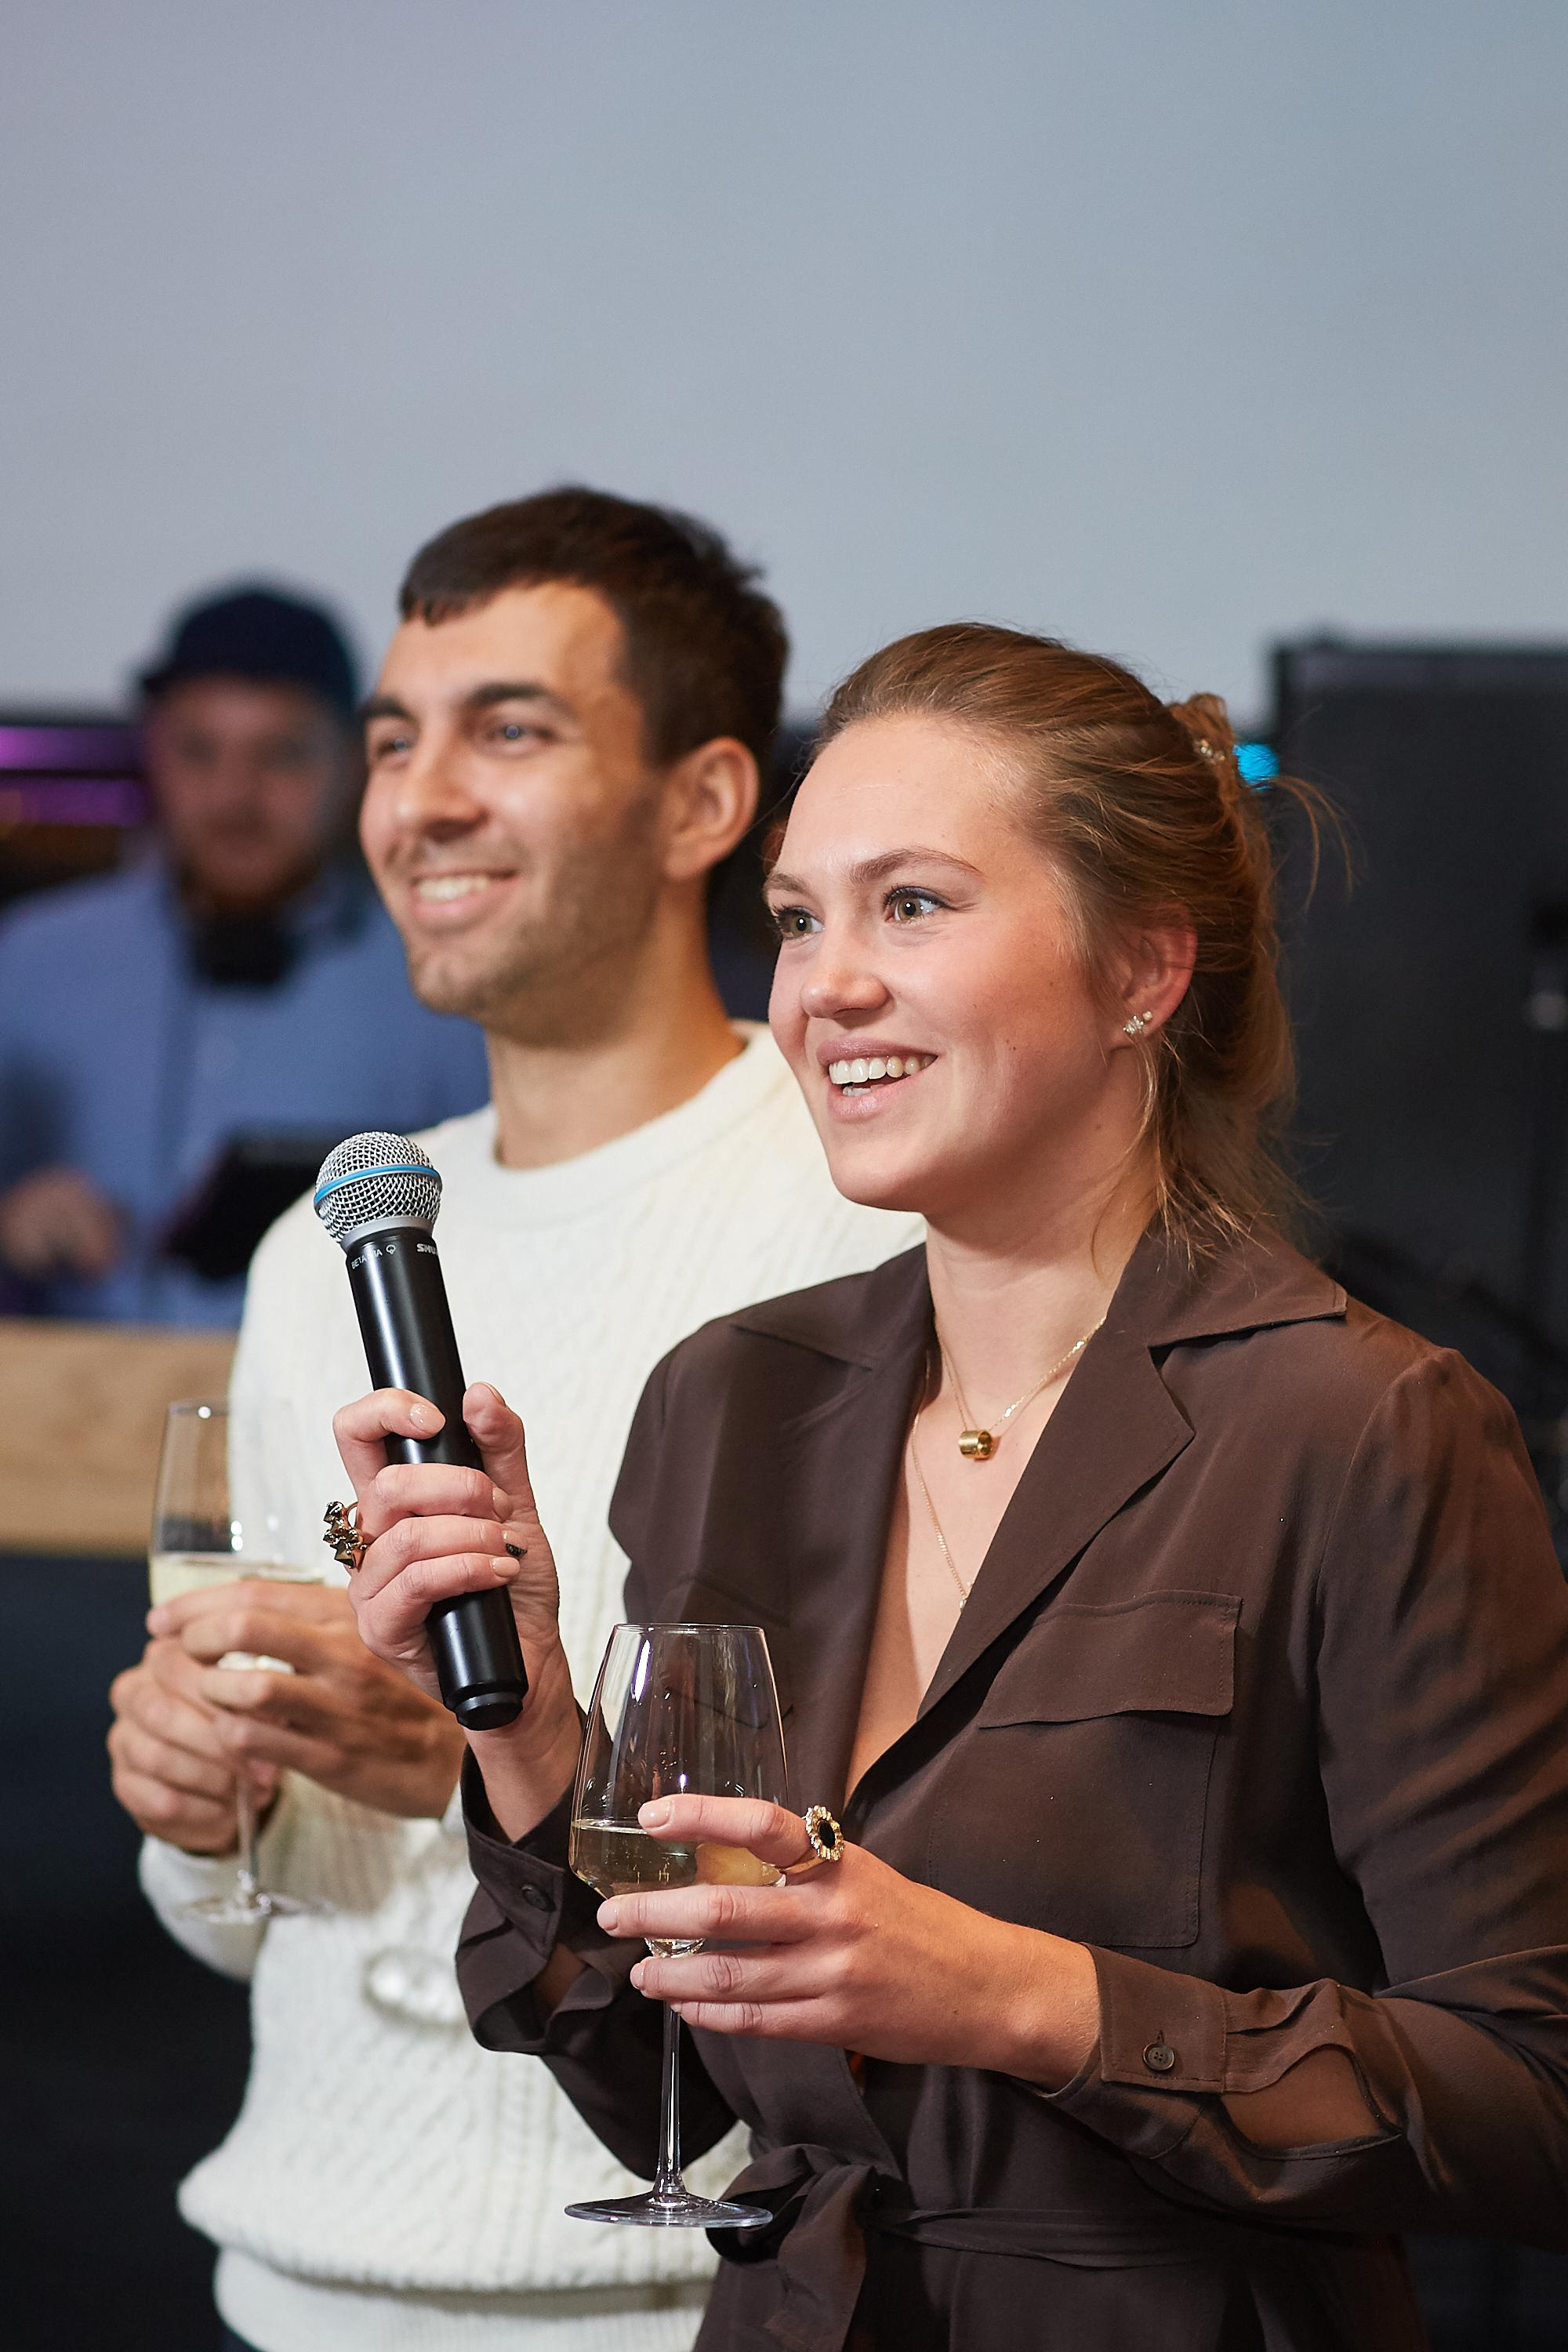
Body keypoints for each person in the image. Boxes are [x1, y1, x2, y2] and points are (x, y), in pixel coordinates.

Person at [336, 622, 1568, 2352]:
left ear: (1142, 969)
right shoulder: (731, 1400)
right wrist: (531, 1729)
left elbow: (1528, 2097)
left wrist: (1023, 1998)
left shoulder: (1358, 1420)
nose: (823, 984)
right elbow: (677, 2114)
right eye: (796, 919)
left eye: (911, 906)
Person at [107, 490, 921, 2352]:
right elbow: (252, 1914)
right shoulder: (335, 1239)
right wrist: (201, 1800)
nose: (419, 798)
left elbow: (909, 1828)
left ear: (706, 805)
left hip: (665, 2274)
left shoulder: (850, 1203)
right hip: (299, 2265)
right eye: (395, 738)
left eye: (509, 729)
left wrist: (508, 1768)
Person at [0, 584, 489, 1324]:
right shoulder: (34, 959)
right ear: (153, 753)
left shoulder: (447, 974)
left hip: (345, 1425)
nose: (235, 795)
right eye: (199, 751)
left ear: (357, 763)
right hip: (67, 1412)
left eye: (282, 755)